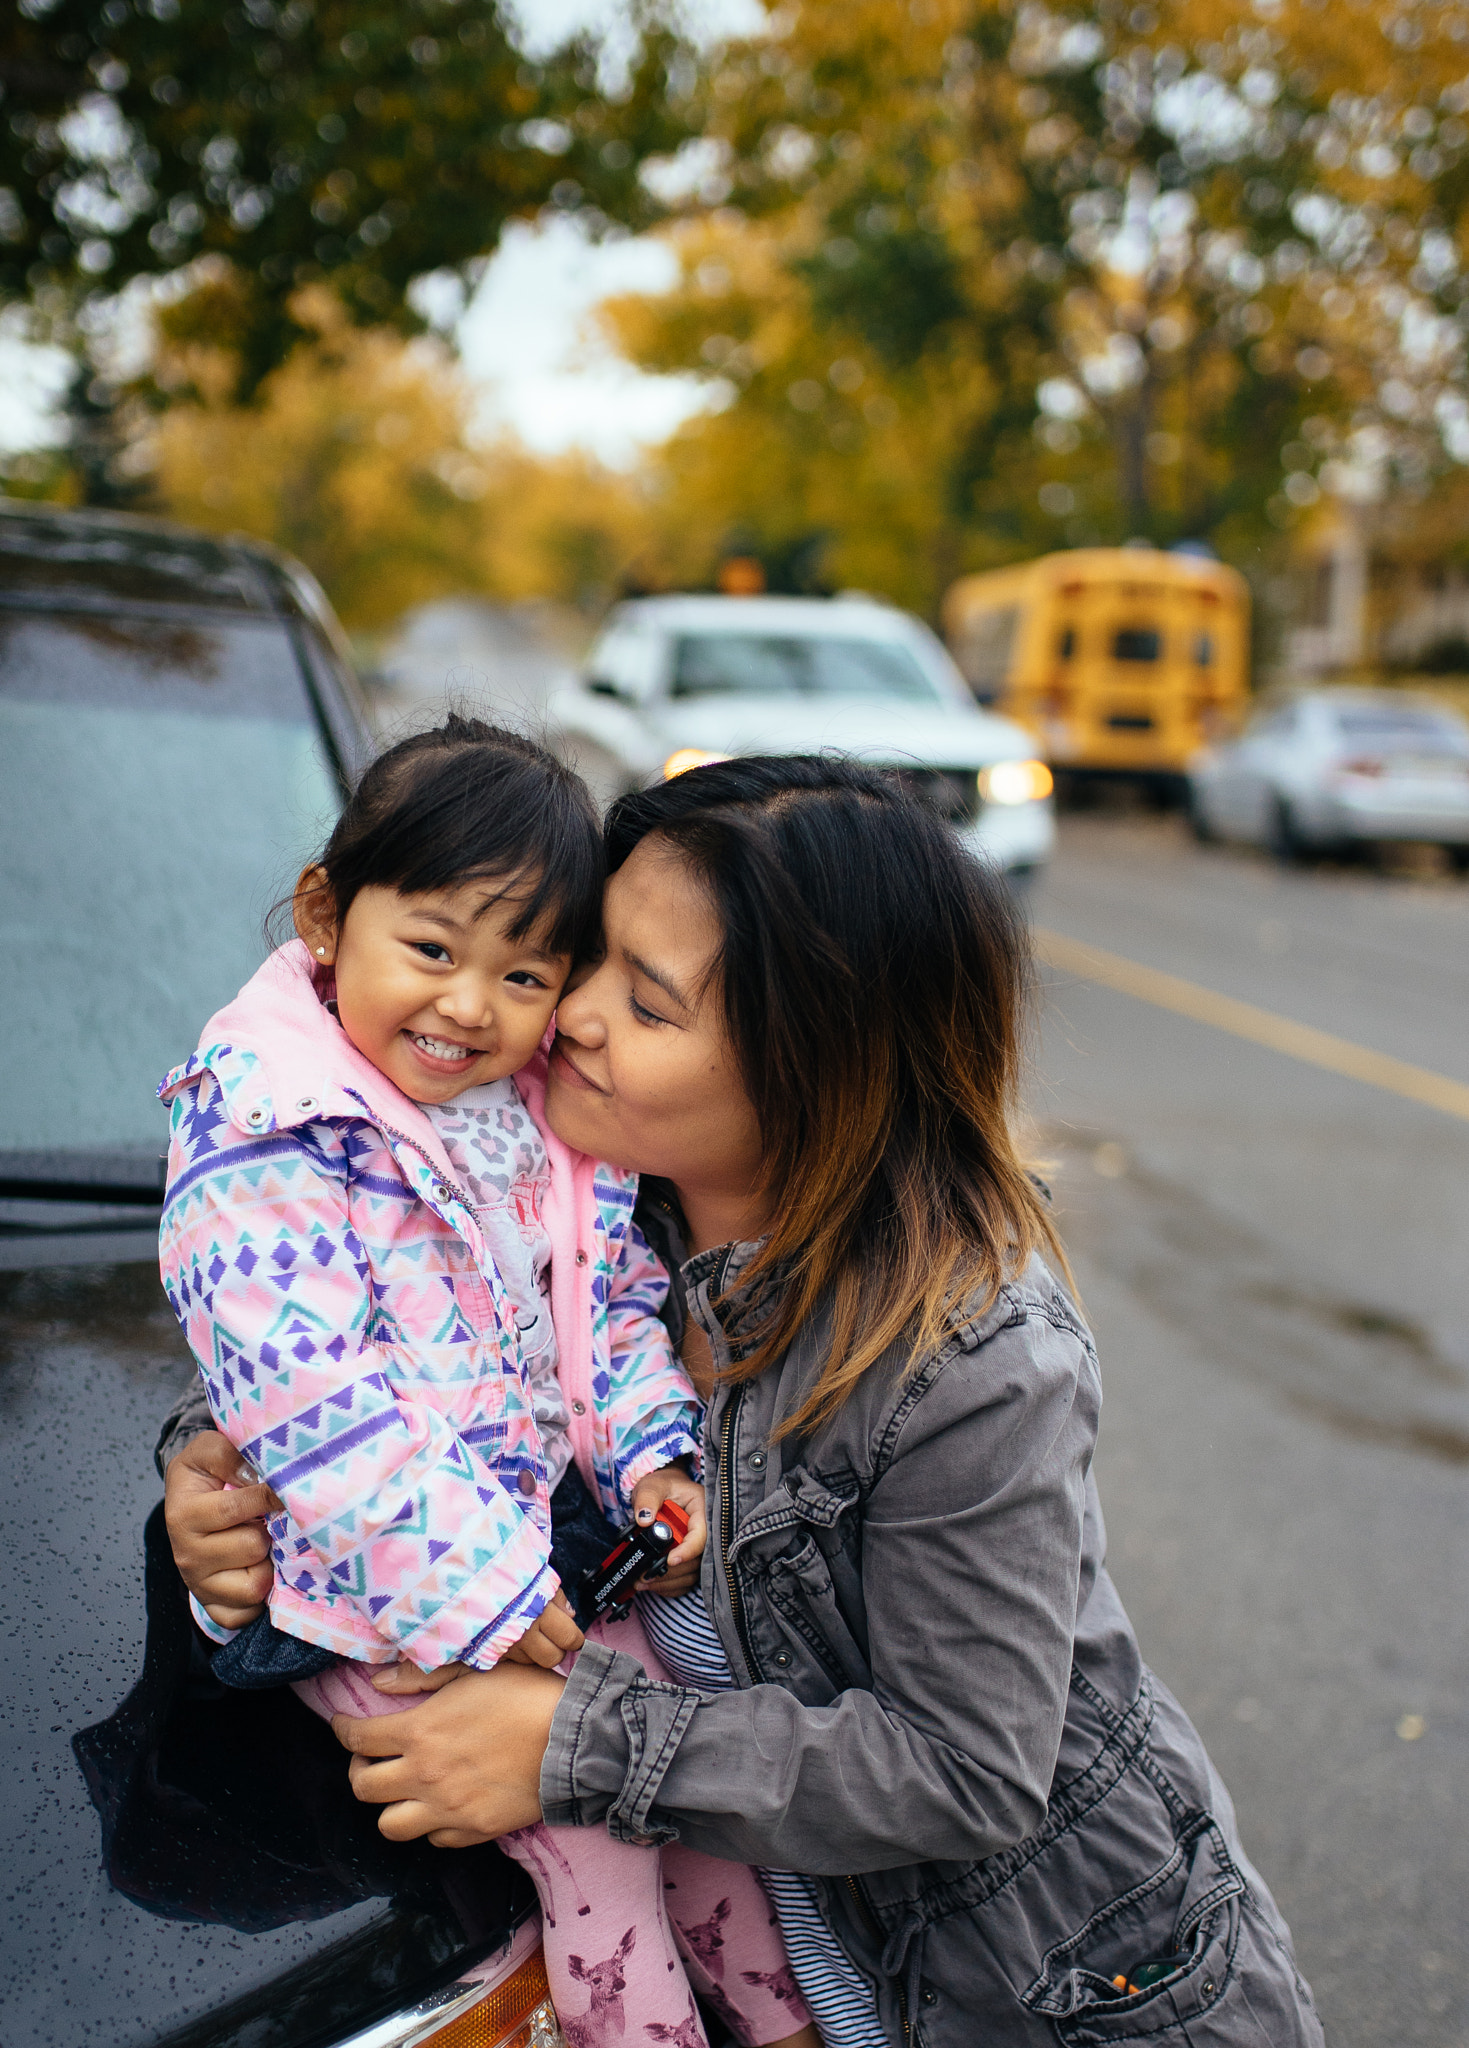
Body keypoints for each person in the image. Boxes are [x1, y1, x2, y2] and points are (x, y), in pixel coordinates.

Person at [166, 754, 1327, 2047]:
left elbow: (965, 1768)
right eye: (584, 960)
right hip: (791, 1961)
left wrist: (573, 1742)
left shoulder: (972, 1362)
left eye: (646, 1005)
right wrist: (220, 1468)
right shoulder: (589, 1207)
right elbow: (352, 1319)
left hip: (1058, 1996)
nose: (568, 1015)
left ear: (809, 1071)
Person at [155, 717, 815, 2048]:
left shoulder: (534, 1116)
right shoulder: (267, 1116)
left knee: (707, 1830)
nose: (469, 1006)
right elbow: (306, 1398)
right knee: (597, 1848)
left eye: (523, 974)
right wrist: (478, 1588)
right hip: (384, 1596)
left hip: (555, 1562)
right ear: (327, 914)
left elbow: (604, 1304)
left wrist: (650, 1460)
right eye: (434, 950)